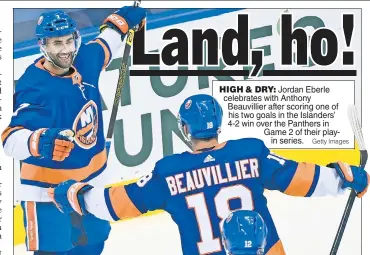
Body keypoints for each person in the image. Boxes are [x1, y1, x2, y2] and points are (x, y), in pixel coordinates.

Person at [47, 94, 369, 255]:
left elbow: (118, 203)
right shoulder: (250, 153)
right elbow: (298, 178)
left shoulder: (169, 173)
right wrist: (344, 179)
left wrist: (75, 195)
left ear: (185, 130)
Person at [2, 6, 146, 255]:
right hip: (46, 191)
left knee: (94, 245)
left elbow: (108, 40)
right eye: (57, 43)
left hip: (90, 183)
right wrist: (39, 141)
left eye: (69, 40)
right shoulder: (33, 85)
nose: (66, 49)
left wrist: (123, 20)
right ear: (43, 45)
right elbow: (9, 138)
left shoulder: (86, 60)